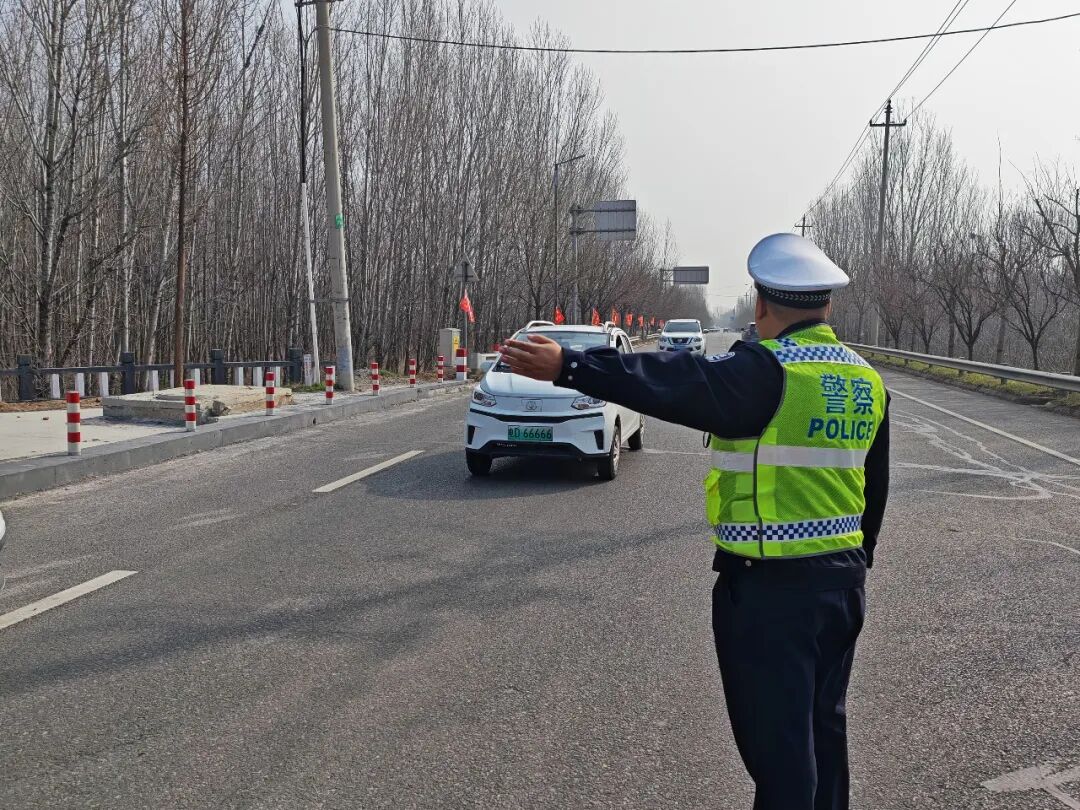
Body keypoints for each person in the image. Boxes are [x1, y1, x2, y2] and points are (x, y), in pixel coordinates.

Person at [501, 233, 889, 810]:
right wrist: (853, 564)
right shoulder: (865, 378)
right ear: (827, 305)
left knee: (782, 758)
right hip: (842, 587)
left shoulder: (766, 371)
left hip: (770, 593)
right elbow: (873, 490)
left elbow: (671, 382)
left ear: (761, 303)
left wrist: (572, 365)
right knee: (824, 732)